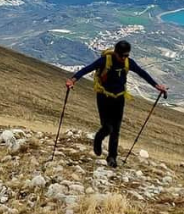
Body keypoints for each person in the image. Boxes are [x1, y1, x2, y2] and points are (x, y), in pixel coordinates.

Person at [66, 40, 168, 168]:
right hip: (104, 97)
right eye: (122, 55)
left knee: (116, 130)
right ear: (116, 53)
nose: (124, 58)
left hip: (119, 98)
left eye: (127, 55)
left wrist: (157, 86)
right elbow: (88, 69)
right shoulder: (105, 60)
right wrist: (72, 80)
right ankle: (98, 138)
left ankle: (112, 157)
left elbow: (142, 73)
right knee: (107, 127)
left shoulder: (127, 62)